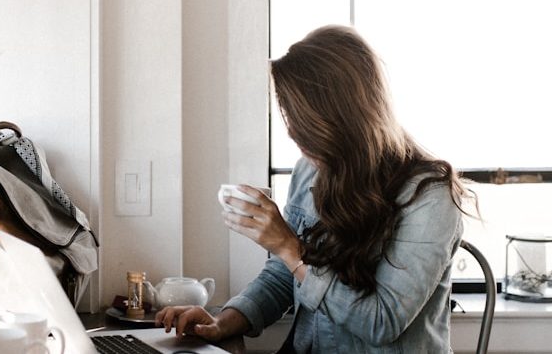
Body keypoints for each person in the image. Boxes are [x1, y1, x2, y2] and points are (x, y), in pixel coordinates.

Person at [155, 25, 477, 352]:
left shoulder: (429, 198)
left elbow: (382, 322)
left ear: (343, 121)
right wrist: (223, 321)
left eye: (306, 133)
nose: (299, 144)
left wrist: (290, 247)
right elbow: (285, 276)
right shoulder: (311, 171)